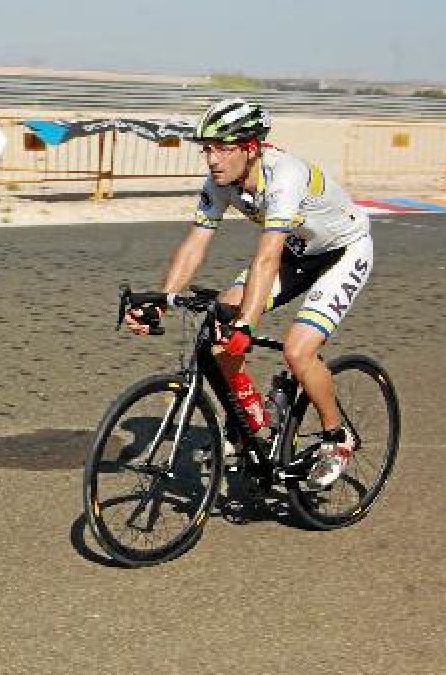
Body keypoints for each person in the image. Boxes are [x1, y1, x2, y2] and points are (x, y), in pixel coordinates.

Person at [123, 98, 373, 490]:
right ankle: (250, 421)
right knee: (219, 328)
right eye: (207, 149)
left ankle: (337, 438)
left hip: (343, 253)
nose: (212, 160)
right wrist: (161, 302)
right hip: (297, 252)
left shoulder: (284, 175)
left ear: (251, 147)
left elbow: (267, 257)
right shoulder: (220, 181)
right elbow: (195, 244)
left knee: (297, 351)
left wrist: (247, 324)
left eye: (222, 149)